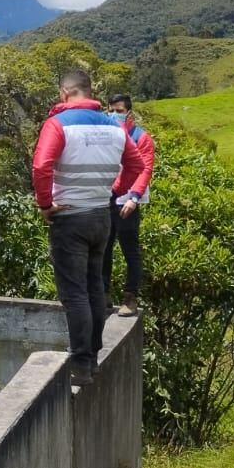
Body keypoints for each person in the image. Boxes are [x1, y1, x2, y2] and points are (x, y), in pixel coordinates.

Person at [32, 70, 148, 386]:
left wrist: (45, 205)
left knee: (75, 293)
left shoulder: (57, 125)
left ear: (65, 93)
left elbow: (42, 166)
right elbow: (137, 165)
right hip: (101, 216)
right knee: (96, 287)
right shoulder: (115, 126)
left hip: (70, 218)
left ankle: (81, 365)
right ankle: (92, 358)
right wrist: (112, 189)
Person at [102, 94, 155, 317]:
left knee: (129, 251)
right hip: (106, 197)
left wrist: (134, 197)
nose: (115, 114)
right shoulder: (105, 135)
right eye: (112, 109)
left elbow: (145, 170)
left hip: (127, 202)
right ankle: (103, 295)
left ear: (129, 112)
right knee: (103, 250)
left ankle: (130, 298)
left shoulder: (141, 138)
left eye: (120, 110)